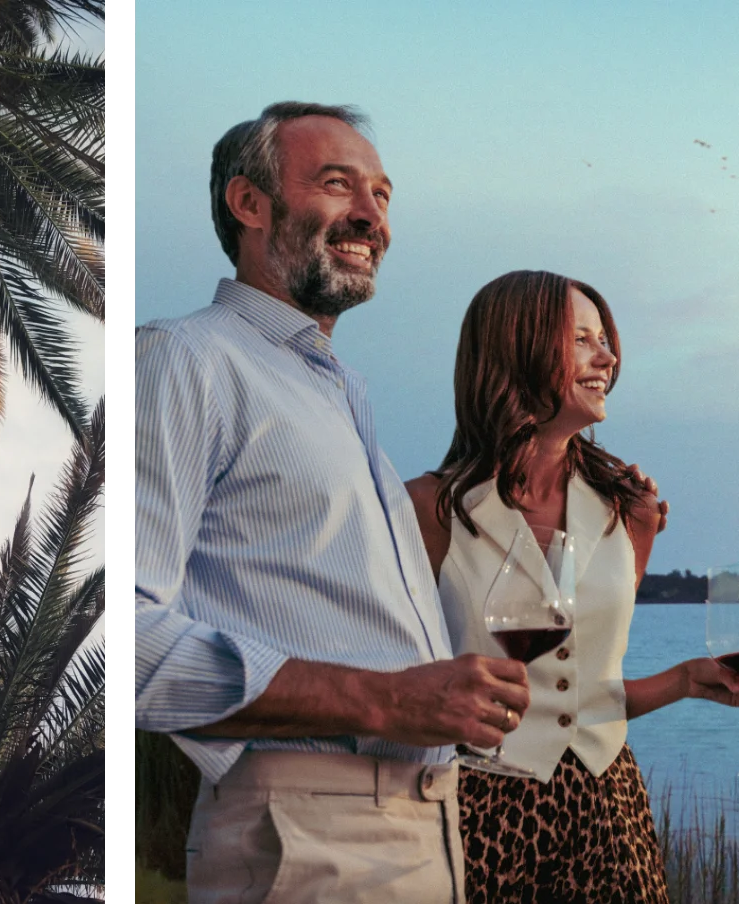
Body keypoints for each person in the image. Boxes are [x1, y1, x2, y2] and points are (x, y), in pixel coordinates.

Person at [133, 103, 536, 903]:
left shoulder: (343, 397)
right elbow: (121, 638)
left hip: (421, 830)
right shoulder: (186, 360)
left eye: (383, 196)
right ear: (249, 204)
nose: (370, 216)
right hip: (309, 832)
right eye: (337, 184)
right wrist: (388, 699)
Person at [406, 271, 739, 904]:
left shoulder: (629, 509)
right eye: (581, 340)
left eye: (605, 340)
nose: (607, 357)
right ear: (515, 347)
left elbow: (584, 694)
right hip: (475, 812)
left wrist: (686, 680)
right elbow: (402, 687)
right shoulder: (427, 511)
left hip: (609, 811)